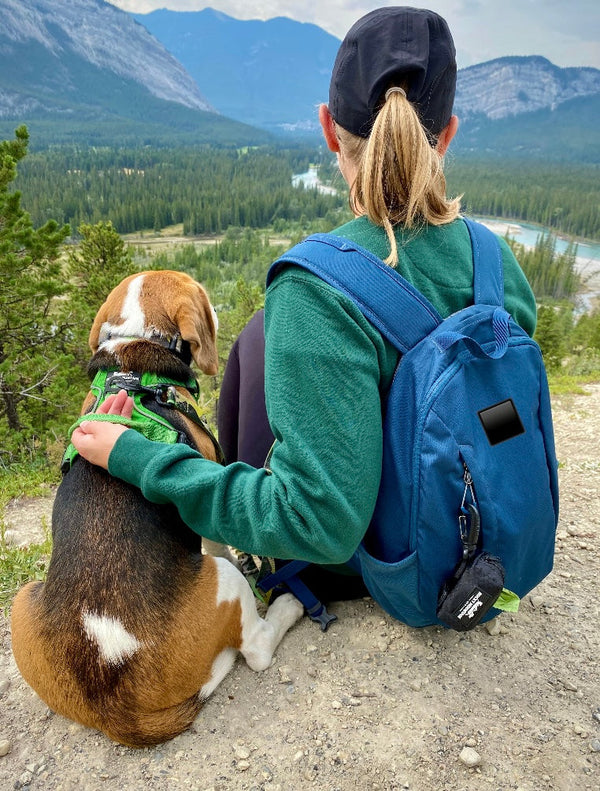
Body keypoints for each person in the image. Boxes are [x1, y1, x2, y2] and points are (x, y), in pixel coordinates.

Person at [71, 7, 536, 605]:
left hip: (374, 565)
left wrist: (139, 457)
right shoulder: (500, 265)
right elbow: (496, 410)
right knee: (279, 335)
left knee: (262, 337)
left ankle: (247, 531)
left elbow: (321, 523)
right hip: (483, 534)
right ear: (447, 133)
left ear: (326, 128)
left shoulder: (314, 290)